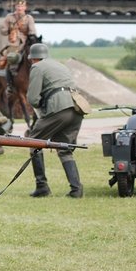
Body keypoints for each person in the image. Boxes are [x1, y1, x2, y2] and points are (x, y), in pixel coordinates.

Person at [26, 43, 86, 198]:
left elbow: (32, 98)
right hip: (77, 107)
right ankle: (76, 189)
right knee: (64, 149)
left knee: (33, 143)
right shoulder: (60, 66)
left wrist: (41, 107)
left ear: (34, 58)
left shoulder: (37, 67)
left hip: (58, 108)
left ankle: (42, 186)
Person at [0, 0, 37, 86]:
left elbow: (33, 32)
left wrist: (31, 37)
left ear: (25, 7)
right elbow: (2, 31)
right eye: (18, 6)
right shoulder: (9, 17)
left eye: (22, 6)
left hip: (25, 43)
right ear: (15, 7)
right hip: (13, 43)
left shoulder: (29, 18)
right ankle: (10, 84)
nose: (20, 8)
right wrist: (10, 29)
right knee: (11, 59)